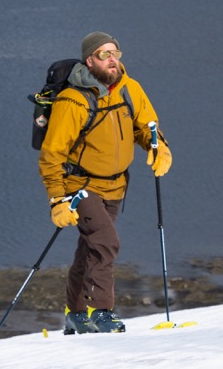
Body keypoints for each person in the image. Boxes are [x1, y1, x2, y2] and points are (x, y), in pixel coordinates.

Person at [38, 31, 172, 335]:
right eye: (104, 54)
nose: (112, 60)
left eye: (115, 53)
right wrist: (57, 200)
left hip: (116, 186)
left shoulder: (130, 89)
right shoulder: (72, 101)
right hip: (80, 186)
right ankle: (102, 312)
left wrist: (158, 148)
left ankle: (75, 313)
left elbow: (146, 127)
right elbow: (52, 155)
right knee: (106, 243)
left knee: (90, 249)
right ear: (89, 60)